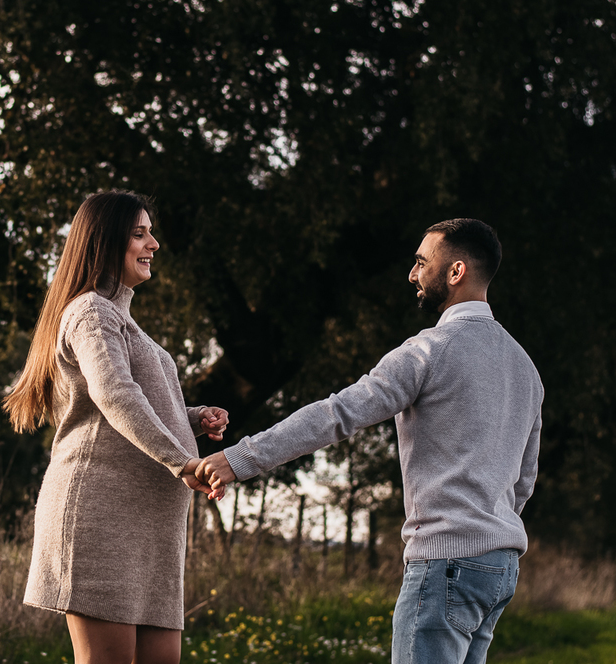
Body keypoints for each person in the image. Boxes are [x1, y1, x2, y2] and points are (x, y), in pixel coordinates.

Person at [197, 218, 543, 664]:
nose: (412, 275)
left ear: (455, 272)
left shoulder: (431, 350)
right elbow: (524, 480)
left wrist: (239, 458)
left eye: (421, 262)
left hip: (446, 563)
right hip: (499, 567)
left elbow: (338, 414)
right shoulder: (526, 368)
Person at [5, 190, 228, 664]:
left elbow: (128, 400)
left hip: (153, 532)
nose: (154, 244)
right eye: (139, 233)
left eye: (151, 233)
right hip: (103, 520)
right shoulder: (91, 312)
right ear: (105, 241)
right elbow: (114, 396)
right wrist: (182, 459)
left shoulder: (121, 318)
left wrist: (192, 419)